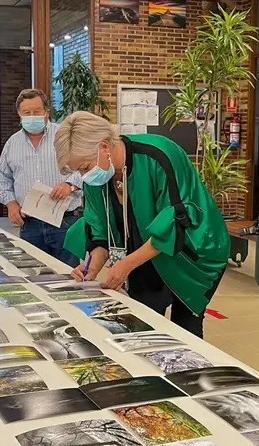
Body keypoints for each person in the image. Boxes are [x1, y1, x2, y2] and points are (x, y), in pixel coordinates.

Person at [54, 112, 229, 339]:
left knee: (185, 326)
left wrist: (126, 264)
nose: (83, 175)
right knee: (141, 323)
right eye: (78, 170)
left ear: (104, 146)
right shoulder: (96, 179)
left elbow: (175, 222)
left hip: (192, 251)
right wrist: (92, 268)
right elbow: (99, 230)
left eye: (85, 167)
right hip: (144, 254)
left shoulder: (158, 155)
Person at [0, 88, 82, 265]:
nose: (32, 116)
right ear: (19, 114)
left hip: (64, 222)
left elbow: (85, 167)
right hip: (30, 224)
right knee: (32, 273)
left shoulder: (64, 137)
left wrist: (70, 185)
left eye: (36, 111)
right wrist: (11, 203)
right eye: (27, 113)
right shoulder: (12, 143)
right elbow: (4, 178)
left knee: (68, 275)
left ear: (46, 112)